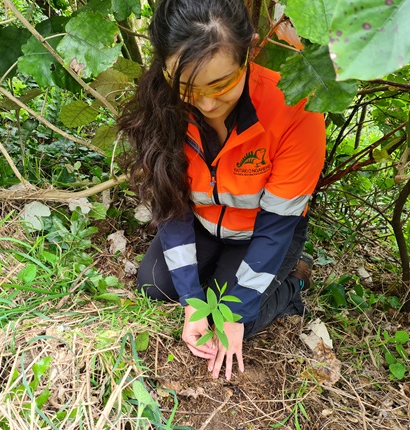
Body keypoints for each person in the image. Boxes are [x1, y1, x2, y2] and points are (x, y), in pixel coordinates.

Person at [117, 0, 326, 380]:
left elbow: (277, 226)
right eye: (187, 88)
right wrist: (191, 301)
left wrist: (237, 313)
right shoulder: (164, 105)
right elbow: (171, 206)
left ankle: (294, 279)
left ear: (251, 51)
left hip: (262, 234)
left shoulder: (297, 110)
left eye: (221, 84)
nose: (207, 104)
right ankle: (228, 285)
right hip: (202, 223)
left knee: (231, 317)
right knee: (156, 288)